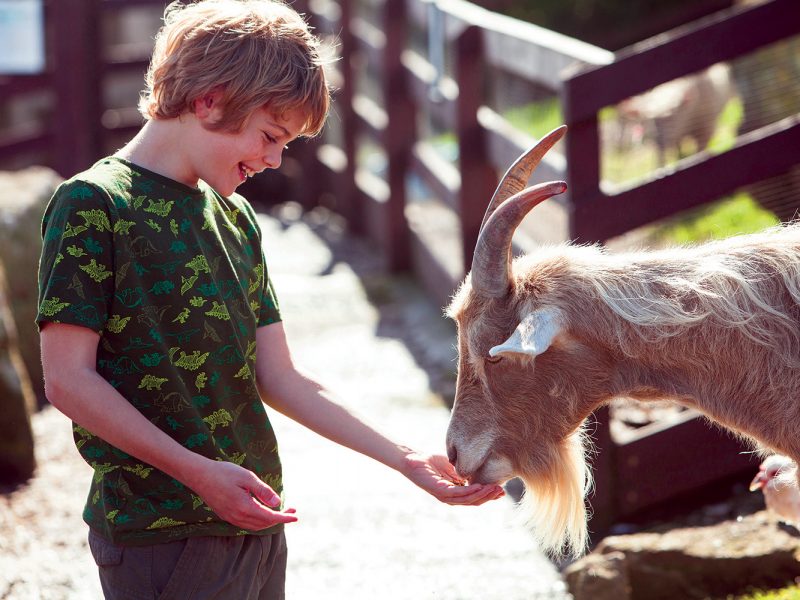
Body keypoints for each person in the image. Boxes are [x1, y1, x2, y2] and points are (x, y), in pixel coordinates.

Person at [36, 1, 504, 598]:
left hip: (253, 521)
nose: (275, 159)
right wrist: (199, 475)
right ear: (210, 100)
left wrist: (407, 460)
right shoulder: (93, 205)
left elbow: (281, 376)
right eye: (270, 135)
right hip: (161, 535)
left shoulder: (235, 216)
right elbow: (67, 382)